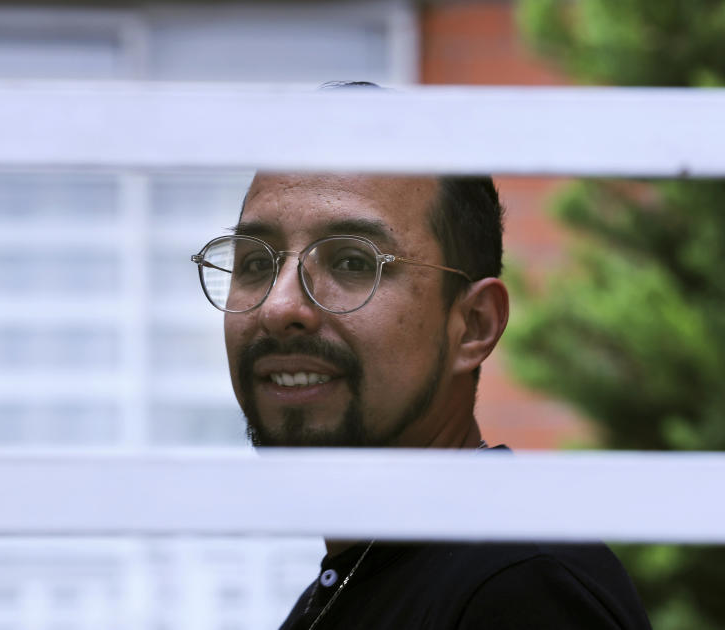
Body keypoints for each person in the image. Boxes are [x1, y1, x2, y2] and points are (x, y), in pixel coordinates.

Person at [190, 166, 653, 628]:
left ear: (473, 326)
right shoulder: (354, 584)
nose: (278, 307)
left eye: (353, 261)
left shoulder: (521, 590)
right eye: (255, 263)